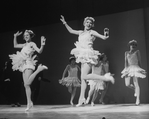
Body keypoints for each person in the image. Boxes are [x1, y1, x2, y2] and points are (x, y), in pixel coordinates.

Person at [60, 15, 114, 106]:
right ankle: (81, 99)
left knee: (84, 76)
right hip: (82, 55)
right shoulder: (81, 32)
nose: (88, 24)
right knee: (83, 78)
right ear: (84, 23)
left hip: (89, 54)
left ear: (92, 25)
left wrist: (106, 34)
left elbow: (104, 37)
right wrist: (65, 23)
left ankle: (105, 78)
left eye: (90, 23)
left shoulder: (92, 32)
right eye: (87, 22)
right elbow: (71, 31)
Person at [9, 30, 48, 111]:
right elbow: (15, 45)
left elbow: (39, 51)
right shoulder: (24, 45)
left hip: (29, 63)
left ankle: (39, 70)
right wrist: (15, 36)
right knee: (26, 85)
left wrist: (42, 44)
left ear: (30, 36)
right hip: (23, 64)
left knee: (28, 83)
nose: (26, 36)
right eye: (25, 35)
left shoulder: (32, 44)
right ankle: (29, 103)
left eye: (27, 35)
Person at [121, 40, 146, 105]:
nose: (133, 46)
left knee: (136, 83)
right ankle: (135, 90)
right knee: (127, 84)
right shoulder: (126, 53)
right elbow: (126, 62)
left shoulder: (137, 52)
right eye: (132, 45)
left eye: (135, 45)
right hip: (129, 68)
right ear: (129, 45)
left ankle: (138, 100)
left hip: (135, 67)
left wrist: (141, 70)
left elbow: (139, 61)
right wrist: (126, 70)